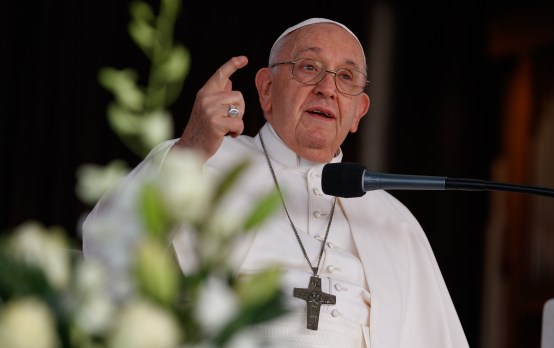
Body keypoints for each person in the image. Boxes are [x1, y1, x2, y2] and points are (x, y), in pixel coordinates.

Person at [82, 17, 469, 347]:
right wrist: (193, 148)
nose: (327, 88)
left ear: (358, 113)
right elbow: (106, 246)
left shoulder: (394, 221)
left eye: (346, 77)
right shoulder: (202, 160)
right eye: (308, 67)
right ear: (266, 89)